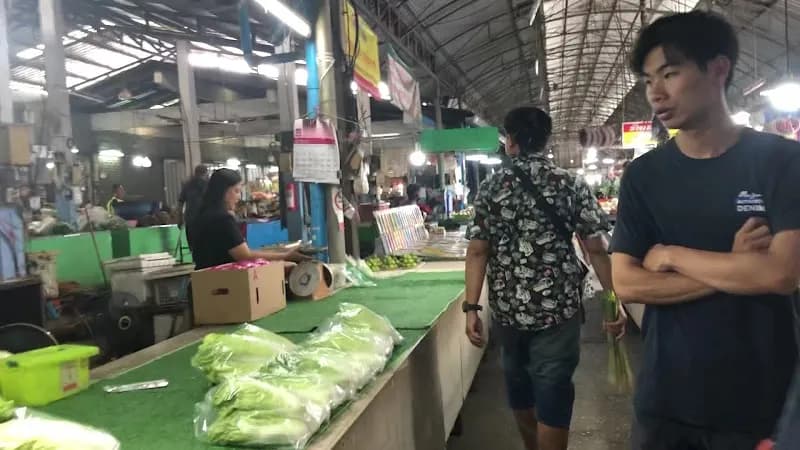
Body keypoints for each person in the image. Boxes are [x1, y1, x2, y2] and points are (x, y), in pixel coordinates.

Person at [610, 11, 800, 450]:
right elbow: (627, 282)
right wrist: (736, 267)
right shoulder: (644, 176)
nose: (655, 93)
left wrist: (673, 255)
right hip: (665, 402)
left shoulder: (781, 162)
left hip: (757, 405)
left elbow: (780, 274)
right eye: (647, 80)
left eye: (670, 74)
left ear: (718, 69)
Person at [463, 106, 626, 450]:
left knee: (520, 389)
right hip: (559, 310)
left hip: (508, 311)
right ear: (546, 142)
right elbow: (596, 248)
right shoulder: (571, 184)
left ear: (510, 142)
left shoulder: (491, 187)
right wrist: (615, 300)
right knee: (553, 392)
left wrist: (471, 307)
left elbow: (477, 251)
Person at [191, 168, 307, 270]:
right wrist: (285, 255)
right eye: (236, 191)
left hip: (202, 282)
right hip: (220, 284)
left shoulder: (202, 214)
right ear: (223, 192)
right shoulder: (222, 219)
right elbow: (244, 255)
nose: (239, 197)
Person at [178, 165, 209, 250]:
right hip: (205, 219)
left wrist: (179, 218)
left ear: (195, 173)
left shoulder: (187, 185)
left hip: (191, 219)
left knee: (193, 246)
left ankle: (196, 260)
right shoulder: (209, 185)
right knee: (205, 245)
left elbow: (180, 202)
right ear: (206, 173)